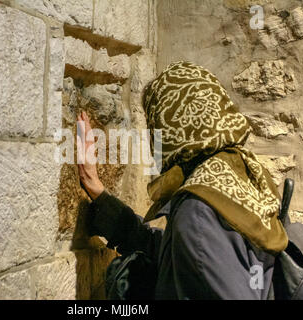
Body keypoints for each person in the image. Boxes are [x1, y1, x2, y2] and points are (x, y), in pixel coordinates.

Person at [76, 61, 288, 300]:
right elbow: (184, 255)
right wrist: (101, 198)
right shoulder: (239, 172)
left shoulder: (198, 210)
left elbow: (198, 246)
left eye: (154, 126)